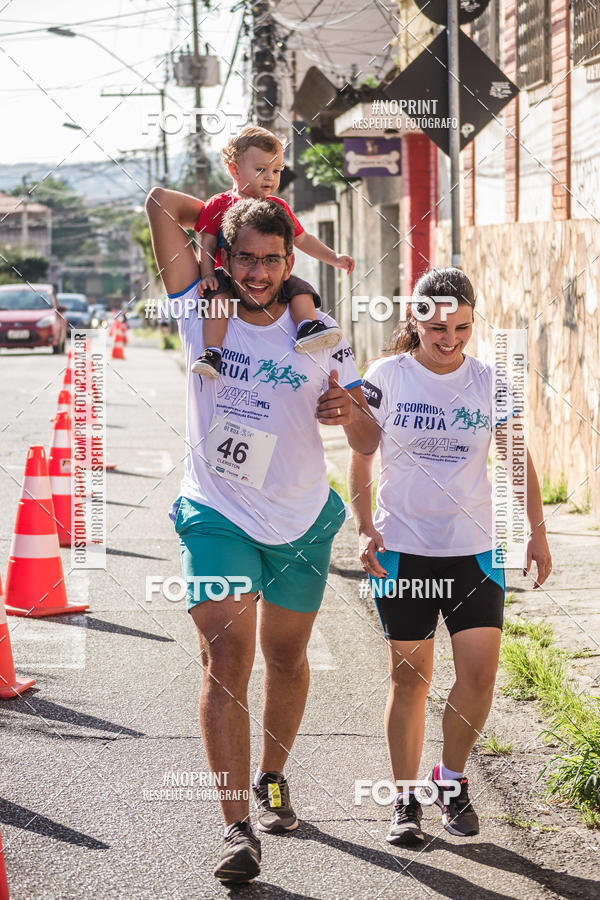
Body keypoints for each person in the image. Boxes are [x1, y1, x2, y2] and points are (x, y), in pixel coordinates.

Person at [145, 187, 378, 883]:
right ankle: (235, 829)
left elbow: (371, 434)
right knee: (226, 660)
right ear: (225, 256)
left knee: (286, 660)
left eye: (272, 260)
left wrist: (349, 409)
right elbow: (159, 203)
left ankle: (272, 777)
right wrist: (229, 203)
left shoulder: (319, 331)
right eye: (244, 257)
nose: (256, 273)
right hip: (216, 512)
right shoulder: (199, 306)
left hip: (301, 519)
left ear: (288, 263)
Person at [348, 267, 552, 847]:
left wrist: (536, 533)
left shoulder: (491, 382)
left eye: (462, 326)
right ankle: (405, 799)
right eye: (437, 326)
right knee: (410, 678)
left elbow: (516, 459)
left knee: (480, 676)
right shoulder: (386, 377)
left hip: (475, 551)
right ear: (414, 320)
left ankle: (451, 779)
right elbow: (362, 460)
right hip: (405, 551)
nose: (450, 338)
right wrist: (364, 527)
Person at [191, 125, 355, 377]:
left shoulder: (278, 206)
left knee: (302, 291)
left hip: (271, 278)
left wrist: (333, 257)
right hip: (227, 275)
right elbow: (207, 243)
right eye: (261, 170)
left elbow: (303, 239)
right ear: (234, 170)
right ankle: (212, 352)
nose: (270, 177)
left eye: (276, 170)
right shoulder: (218, 204)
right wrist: (208, 275)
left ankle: (307, 328)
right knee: (218, 301)